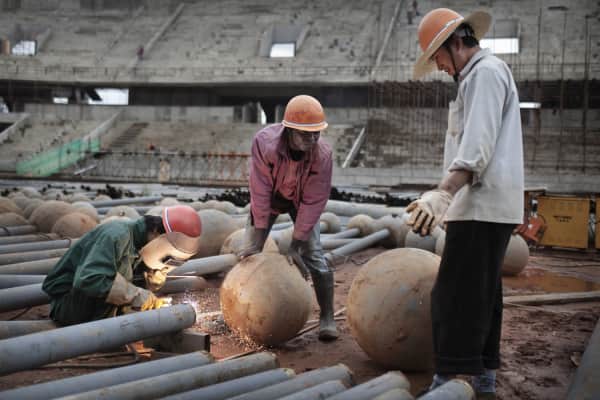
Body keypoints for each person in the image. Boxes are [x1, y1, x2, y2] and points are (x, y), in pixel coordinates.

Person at [408, 8, 524, 399]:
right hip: (488, 206)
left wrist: (442, 193)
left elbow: (476, 147)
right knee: (484, 295)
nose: (439, 67)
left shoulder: (484, 74)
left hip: (480, 206)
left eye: (438, 57)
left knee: (452, 296)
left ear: (456, 43)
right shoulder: (480, 75)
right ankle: (485, 378)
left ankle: (446, 381)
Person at [238, 94, 338, 341]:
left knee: (314, 255)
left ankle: (327, 316)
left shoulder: (323, 154)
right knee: (249, 253)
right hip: (270, 197)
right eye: (305, 134)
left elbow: (313, 202)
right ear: (289, 130)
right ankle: (239, 310)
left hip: (301, 201)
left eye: (316, 134)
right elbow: (260, 190)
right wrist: (259, 234)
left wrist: (296, 246)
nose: (312, 139)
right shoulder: (264, 143)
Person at [42, 205, 202, 326]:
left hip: (87, 301)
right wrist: (137, 295)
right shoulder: (117, 236)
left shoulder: (139, 245)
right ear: (155, 232)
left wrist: (151, 276)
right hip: (68, 302)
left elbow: (133, 282)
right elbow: (89, 280)